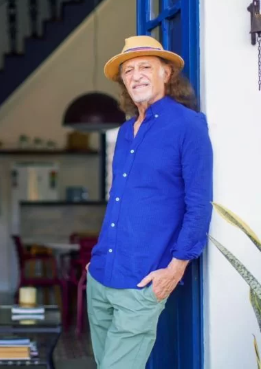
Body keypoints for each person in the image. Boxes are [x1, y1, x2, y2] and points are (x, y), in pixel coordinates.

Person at [86, 35, 213, 368]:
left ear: (166, 73)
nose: (136, 76)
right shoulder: (125, 132)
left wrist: (176, 267)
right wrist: (96, 258)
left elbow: (199, 204)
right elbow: (120, 201)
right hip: (101, 275)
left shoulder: (188, 126)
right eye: (128, 71)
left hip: (142, 280)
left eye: (145, 67)